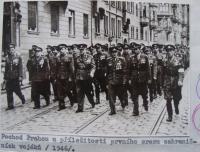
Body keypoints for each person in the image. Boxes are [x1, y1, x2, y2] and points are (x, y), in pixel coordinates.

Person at [163, 45, 184, 122]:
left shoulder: (178, 60)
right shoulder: (164, 60)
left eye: (171, 50)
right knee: (168, 99)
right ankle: (170, 116)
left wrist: (180, 80)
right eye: (168, 51)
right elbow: (163, 72)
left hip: (176, 81)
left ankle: (176, 106)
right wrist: (163, 82)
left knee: (177, 98)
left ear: (173, 51)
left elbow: (181, 71)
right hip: (167, 81)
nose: (169, 52)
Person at [129, 45, 151, 116]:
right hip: (134, 79)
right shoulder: (132, 58)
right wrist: (129, 78)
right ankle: (135, 111)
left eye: (137, 49)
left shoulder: (145, 57)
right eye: (134, 49)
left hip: (143, 79)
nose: (136, 50)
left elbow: (148, 69)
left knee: (144, 94)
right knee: (134, 95)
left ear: (139, 49)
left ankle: (145, 105)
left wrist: (149, 78)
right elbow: (130, 69)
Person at [74, 44, 96, 113]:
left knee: (88, 92)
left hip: (87, 77)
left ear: (85, 50)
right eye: (80, 50)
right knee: (79, 92)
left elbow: (93, 66)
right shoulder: (77, 57)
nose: (81, 51)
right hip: (79, 77)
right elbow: (75, 67)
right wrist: (75, 76)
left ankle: (92, 102)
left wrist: (92, 72)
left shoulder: (90, 57)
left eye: (83, 50)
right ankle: (80, 108)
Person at [4, 43, 26, 110]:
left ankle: (22, 97)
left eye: (12, 49)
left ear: (14, 49)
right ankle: (10, 105)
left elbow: (20, 67)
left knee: (17, 91)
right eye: (10, 49)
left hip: (15, 77)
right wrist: (5, 77)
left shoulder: (18, 56)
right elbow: (6, 68)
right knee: (9, 91)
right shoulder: (7, 57)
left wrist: (20, 76)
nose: (11, 50)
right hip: (9, 77)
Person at [106, 47, 127, 115]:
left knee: (120, 95)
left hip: (119, 81)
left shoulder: (121, 59)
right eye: (112, 52)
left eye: (115, 52)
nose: (114, 54)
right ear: (111, 53)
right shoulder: (108, 60)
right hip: (111, 80)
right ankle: (112, 110)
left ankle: (123, 103)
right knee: (110, 96)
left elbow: (124, 71)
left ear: (117, 53)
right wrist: (107, 81)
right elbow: (107, 71)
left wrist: (124, 80)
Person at [56, 44, 75, 110]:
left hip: (67, 76)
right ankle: (62, 105)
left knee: (67, 90)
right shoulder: (57, 57)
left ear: (65, 49)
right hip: (59, 76)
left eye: (63, 49)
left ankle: (71, 99)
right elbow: (56, 67)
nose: (61, 51)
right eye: (60, 49)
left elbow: (71, 69)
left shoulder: (69, 57)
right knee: (60, 91)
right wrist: (56, 76)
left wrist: (70, 77)